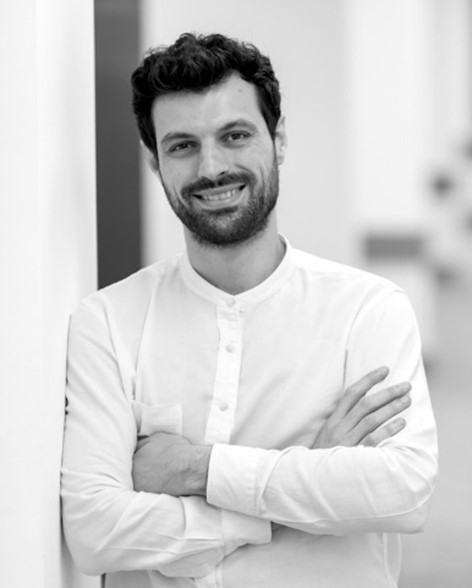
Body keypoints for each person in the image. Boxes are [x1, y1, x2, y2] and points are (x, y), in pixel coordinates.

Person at [61, 33, 438, 588]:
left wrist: (197, 468)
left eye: (235, 135)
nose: (212, 167)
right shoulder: (108, 321)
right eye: (182, 145)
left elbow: (403, 492)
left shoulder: (368, 310)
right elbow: (95, 532)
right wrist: (305, 480)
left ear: (278, 140)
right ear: (154, 161)